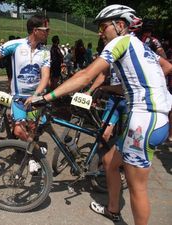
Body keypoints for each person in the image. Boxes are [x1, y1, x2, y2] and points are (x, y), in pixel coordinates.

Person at [35, 4, 172, 225]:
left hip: (145, 120)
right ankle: (113, 210)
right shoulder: (142, 47)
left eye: (103, 26)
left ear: (120, 26)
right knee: (109, 161)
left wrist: (47, 97)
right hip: (152, 118)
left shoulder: (121, 41)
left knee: (137, 187)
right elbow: (165, 68)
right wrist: (124, 90)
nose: (100, 32)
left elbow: (87, 74)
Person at [0, 14, 50, 151]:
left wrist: (36, 95)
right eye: (46, 29)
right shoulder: (16, 45)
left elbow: (45, 77)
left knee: (32, 129)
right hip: (18, 97)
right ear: (35, 30)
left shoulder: (45, 52)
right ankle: (37, 151)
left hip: (35, 97)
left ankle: (31, 157)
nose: (49, 32)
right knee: (18, 131)